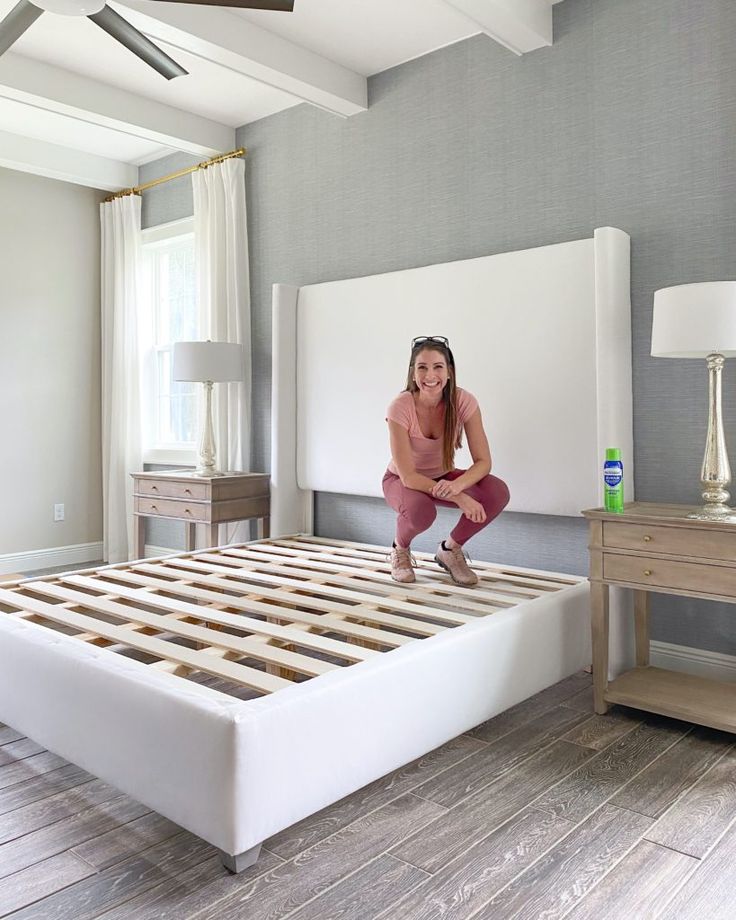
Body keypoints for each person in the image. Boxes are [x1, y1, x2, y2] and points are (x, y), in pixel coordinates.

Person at [383, 335, 510, 586]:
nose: (430, 375)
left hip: (442, 477)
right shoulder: (400, 406)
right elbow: (409, 476)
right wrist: (458, 495)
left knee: (497, 491)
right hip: (402, 481)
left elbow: (483, 462)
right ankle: (400, 549)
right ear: (413, 373)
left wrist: (457, 485)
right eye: (422, 367)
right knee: (421, 512)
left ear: (449, 372)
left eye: (438, 367)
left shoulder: (463, 401)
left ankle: (450, 550)